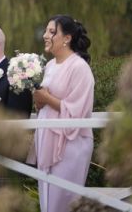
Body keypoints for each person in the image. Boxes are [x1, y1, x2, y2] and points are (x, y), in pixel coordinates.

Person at [29, 15, 95, 212]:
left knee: (64, 200)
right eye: (46, 31)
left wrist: (46, 98)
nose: (45, 36)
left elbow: (78, 110)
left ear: (66, 38)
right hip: (47, 138)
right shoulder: (49, 66)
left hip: (69, 144)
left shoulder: (79, 67)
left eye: (51, 32)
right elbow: (45, 103)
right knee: (47, 201)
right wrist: (39, 100)